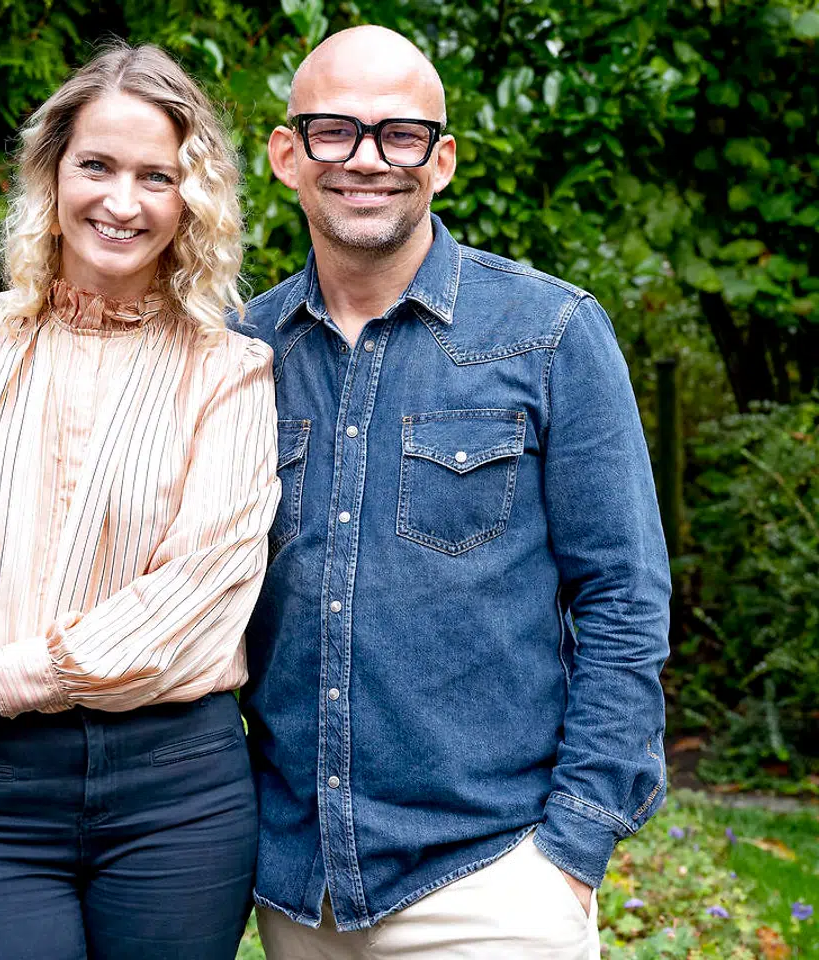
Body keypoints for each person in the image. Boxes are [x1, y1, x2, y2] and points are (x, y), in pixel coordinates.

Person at [0, 41, 280, 960]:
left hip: (176, 793)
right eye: (96, 165)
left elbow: (189, 603)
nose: (121, 200)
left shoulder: (233, 371)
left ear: (193, 199)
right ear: (51, 174)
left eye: (156, 176)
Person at [237, 25, 671, 960]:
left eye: (399, 135)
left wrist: (573, 847)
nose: (366, 160)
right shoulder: (238, 357)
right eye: (334, 131)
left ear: (442, 161)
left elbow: (624, 599)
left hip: (494, 882)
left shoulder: (550, 332)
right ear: (285, 154)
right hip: (297, 886)